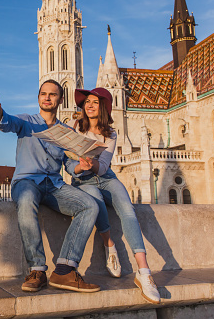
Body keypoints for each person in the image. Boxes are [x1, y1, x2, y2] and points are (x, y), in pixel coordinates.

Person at [0, 80, 102, 293]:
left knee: (90, 205)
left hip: (54, 185)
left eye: (52, 94)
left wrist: (82, 166)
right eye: (43, 94)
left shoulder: (65, 131)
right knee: (27, 199)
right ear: (38, 98)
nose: (47, 97)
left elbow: (68, 165)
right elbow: (6, 122)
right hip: (27, 181)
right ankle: (37, 269)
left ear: (60, 99)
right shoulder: (26, 121)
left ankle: (65, 269)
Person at [67, 87, 161, 304]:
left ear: (103, 108)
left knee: (128, 210)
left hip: (105, 176)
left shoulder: (111, 133)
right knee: (96, 202)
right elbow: (68, 162)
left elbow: (104, 167)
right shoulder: (75, 128)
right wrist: (81, 167)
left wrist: (93, 163)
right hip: (83, 179)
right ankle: (110, 246)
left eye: (95, 102)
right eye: (87, 102)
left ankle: (144, 272)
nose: (89, 105)